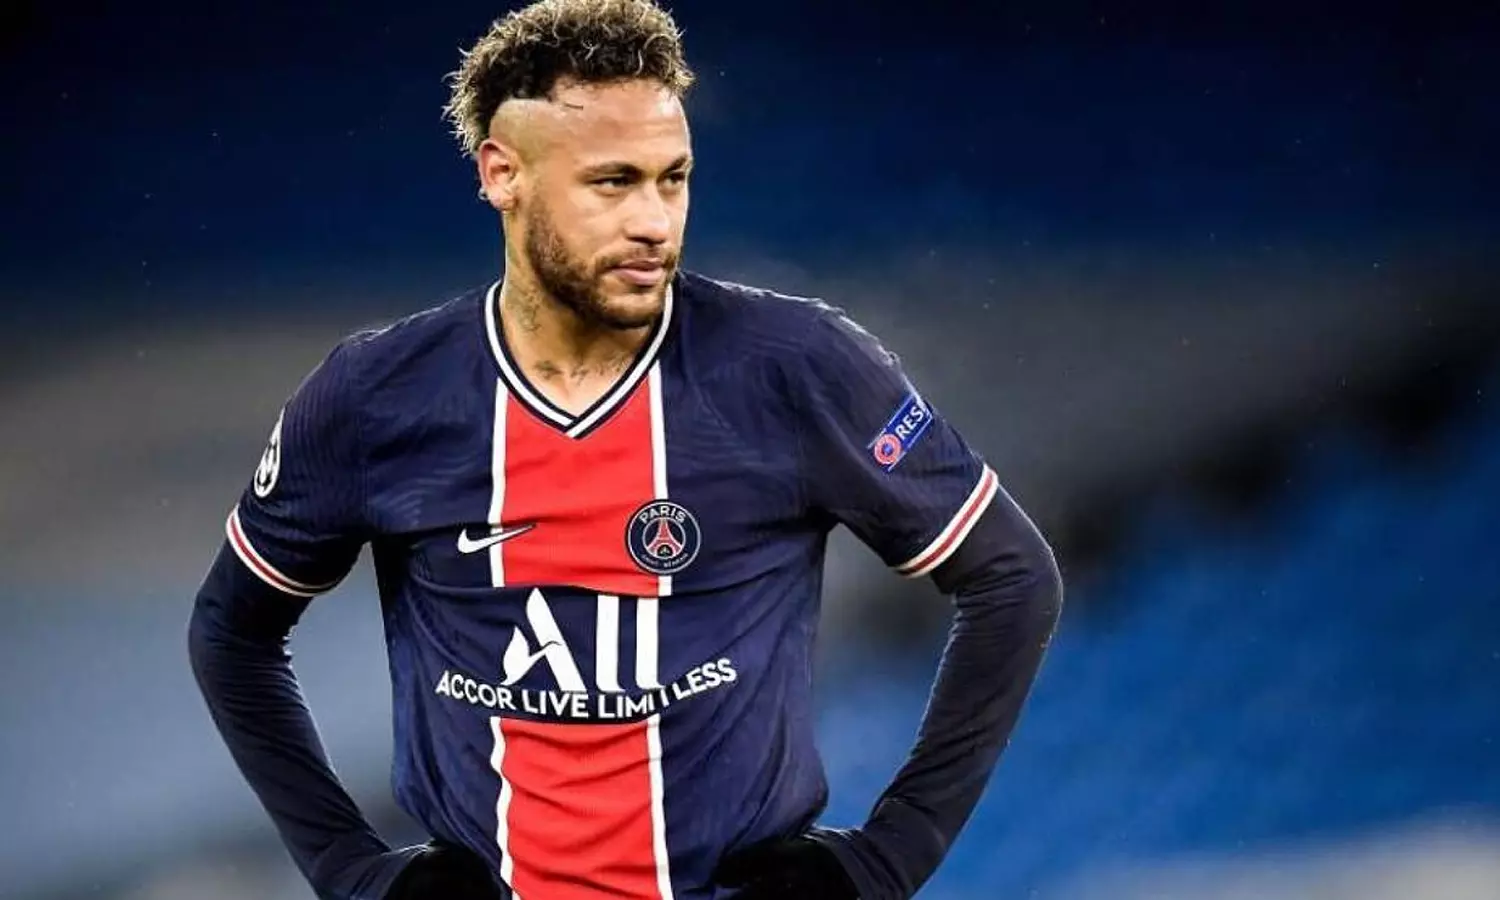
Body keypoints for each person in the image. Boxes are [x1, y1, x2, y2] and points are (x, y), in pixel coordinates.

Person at [188, 1, 1064, 898]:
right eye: (612, 183)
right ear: (502, 173)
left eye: (672, 179)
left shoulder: (796, 367)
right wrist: (351, 870)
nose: (654, 220)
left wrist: (886, 859)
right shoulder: (376, 395)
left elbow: (1011, 577)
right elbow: (231, 633)